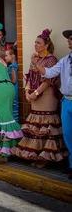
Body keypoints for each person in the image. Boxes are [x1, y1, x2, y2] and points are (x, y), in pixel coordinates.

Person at [12, 29, 67, 167]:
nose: (35, 45)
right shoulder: (36, 59)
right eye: (35, 42)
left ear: (46, 45)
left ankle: (46, 157)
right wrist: (26, 92)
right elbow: (30, 76)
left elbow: (49, 80)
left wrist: (35, 93)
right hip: (34, 95)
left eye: (38, 42)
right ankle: (35, 155)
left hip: (47, 96)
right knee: (35, 125)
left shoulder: (51, 59)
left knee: (46, 123)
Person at [35, 29, 72, 178]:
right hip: (67, 101)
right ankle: (71, 165)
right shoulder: (64, 60)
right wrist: (36, 63)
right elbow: (49, 73)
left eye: (71, 38)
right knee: (68, 135)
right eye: (69, 39)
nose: (69, 41)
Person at [5, 48, 19, 122]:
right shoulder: (13, 65)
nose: (5, 57)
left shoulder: (12, 66)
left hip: (13, 88)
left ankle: (15, 125)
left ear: (13, 56)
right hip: (14, 88)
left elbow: (14, 80)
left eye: (6, 55)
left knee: (14, 106)